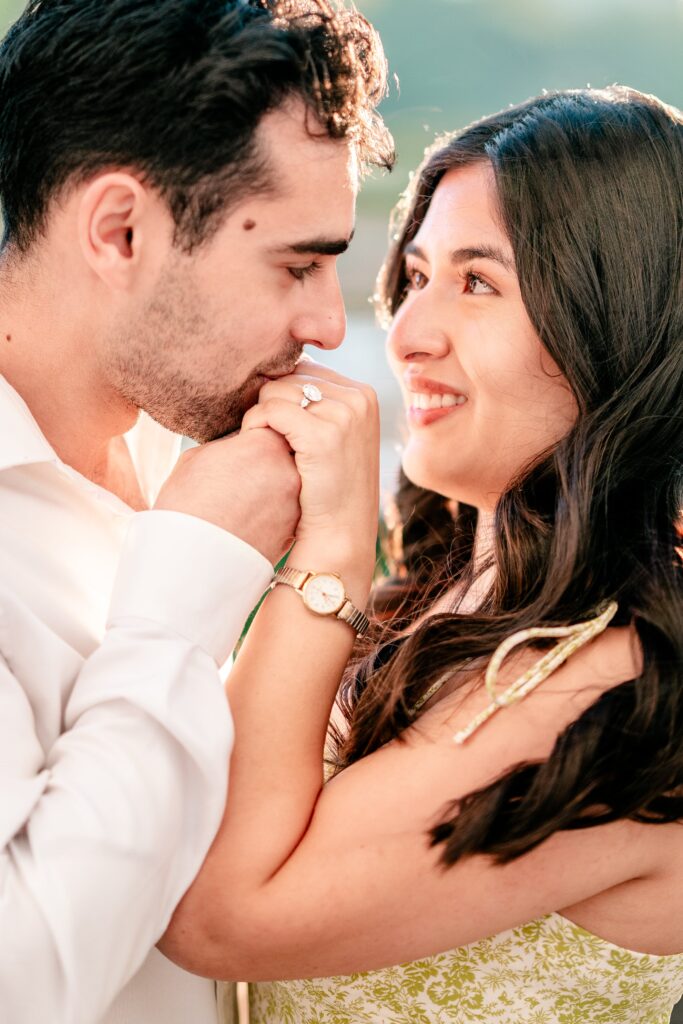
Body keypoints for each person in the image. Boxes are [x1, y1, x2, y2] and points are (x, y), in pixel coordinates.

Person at [159, 86, 683, 1023]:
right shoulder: (437, 607)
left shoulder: (615, 692)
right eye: (415, 275)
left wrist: (327, 560)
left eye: (478, 283)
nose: (404, 334)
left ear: (617, 317)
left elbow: (214, 914)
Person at [0, 1, 393, 1022]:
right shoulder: (207, 522)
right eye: (296, 265)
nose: (326, 323)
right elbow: (20, 978)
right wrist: (186, 593)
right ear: (120, 230)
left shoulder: (197, 452)